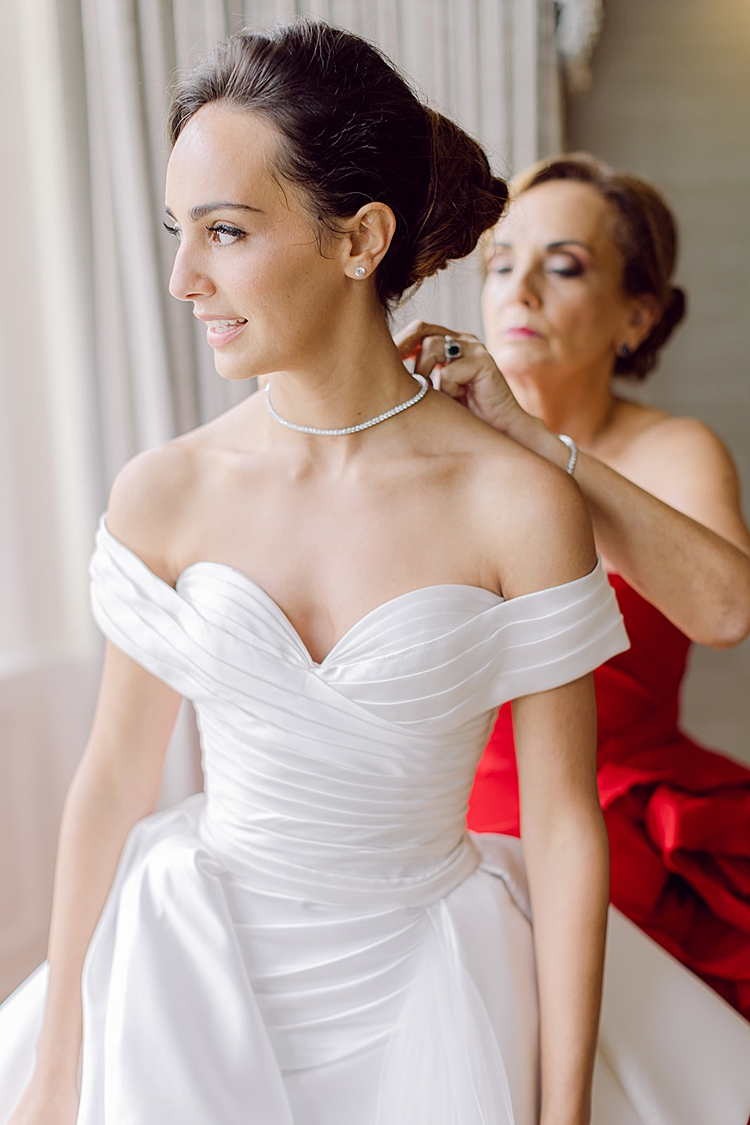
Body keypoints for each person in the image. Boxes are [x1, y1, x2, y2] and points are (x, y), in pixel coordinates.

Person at [0, 25, 749, 1125]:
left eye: (226, 231)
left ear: (361, 241)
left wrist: (562, 1105)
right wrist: (60, 1066)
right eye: (178, 231)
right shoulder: (162, 492)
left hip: (435, 981)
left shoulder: (517, 502)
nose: (182, 277)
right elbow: (111, 783)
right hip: (185, 977)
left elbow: (561, 822)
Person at [397, 153, 750, 1022]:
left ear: (637, 316)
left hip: (628, 826)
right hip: (457, 824)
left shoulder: (674, 450)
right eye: (501, 263)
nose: (519, 292)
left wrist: (535, 439)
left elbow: (727, 609)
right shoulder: (430, 445)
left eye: (562, 267)